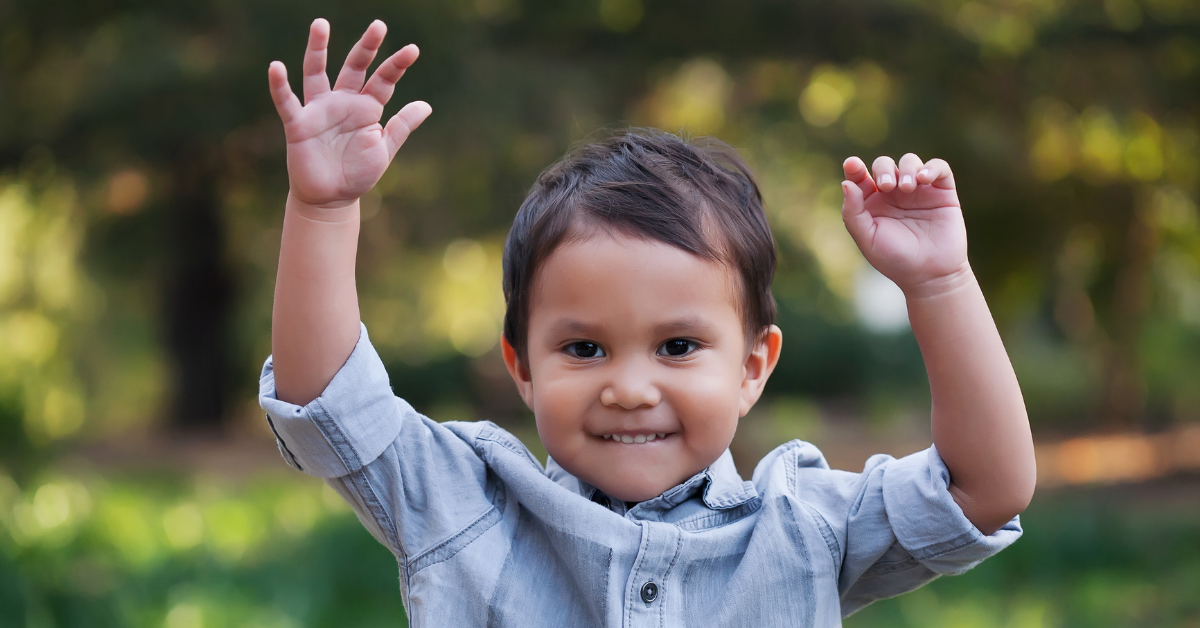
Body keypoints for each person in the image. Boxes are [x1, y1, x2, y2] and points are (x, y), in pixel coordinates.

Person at [260, 18, 1036, 627]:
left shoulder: (805, 528)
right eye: (584, 348)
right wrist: (322, 211)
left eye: (677, 346)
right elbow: (327, 403)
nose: (629, 388)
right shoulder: (466, 505)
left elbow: (985, 488)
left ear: (752, 367)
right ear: (521, 366)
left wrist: (940, 283)